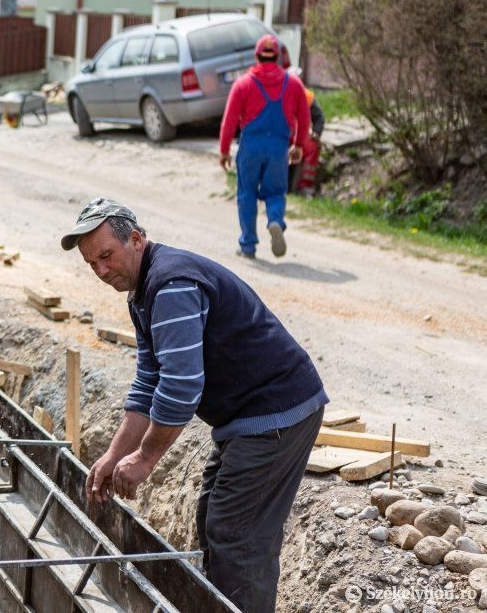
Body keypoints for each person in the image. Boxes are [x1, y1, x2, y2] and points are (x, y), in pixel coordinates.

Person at [60, 198, 327, 613]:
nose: (101, 271)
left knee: (237, 535)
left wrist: (146, 458)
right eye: (91, 263)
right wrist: (115, 455)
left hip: (276, 411)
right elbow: (150, 381)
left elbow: (182, 385)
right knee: (211, 519)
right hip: (246, 416)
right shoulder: (142, 293)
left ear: (135, 238)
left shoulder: (171, 286)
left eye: (106, 256)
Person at [218, 35, 311, 258]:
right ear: (278, 56)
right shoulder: (294, 84)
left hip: (250, 147)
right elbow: (305, 117)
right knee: (276, 192)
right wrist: (299, 145)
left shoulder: (243, 83)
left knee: (247, 194)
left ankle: (248, 246)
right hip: (278, 148)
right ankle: (275, 220)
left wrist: (224, 150)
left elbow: (230, 120)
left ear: (256, 55)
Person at [296, 88, 325, 196]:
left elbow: (319, 117)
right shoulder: (272, 91)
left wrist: (316, 132)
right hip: (279, 134)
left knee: (313, 146)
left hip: (299, 135)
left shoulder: (306, 96)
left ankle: (305, 186)